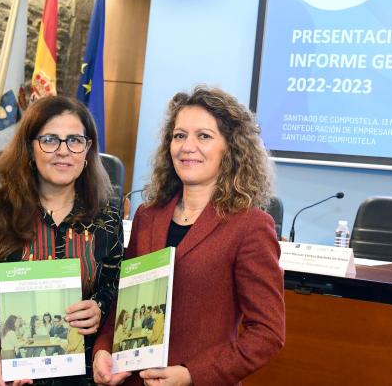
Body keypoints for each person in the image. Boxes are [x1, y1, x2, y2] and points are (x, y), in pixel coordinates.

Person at [92, 85, 285, 386]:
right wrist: (103, 349)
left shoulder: (251, 226)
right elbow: (123, 301)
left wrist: (193, 374)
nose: (187, 146)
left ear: (231, 148)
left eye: (204, 136)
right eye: (179, 135)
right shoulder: (147, 216)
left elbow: (267, 332)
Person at [0, 95, 124, 386]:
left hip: (77, 375)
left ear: (87, 150)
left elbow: (114, 287)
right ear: (30, 148)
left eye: (75, 140)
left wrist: (98, 307)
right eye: (49, 140)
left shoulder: (107, 218)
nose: (63, 151)